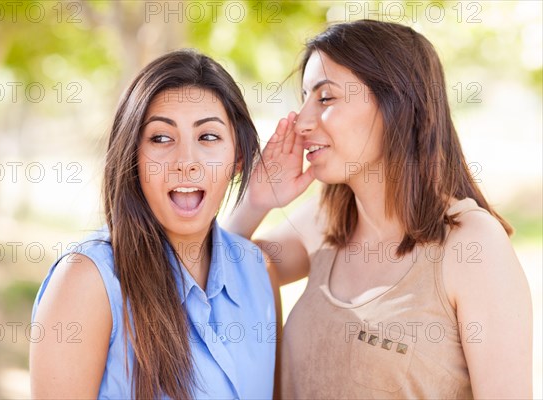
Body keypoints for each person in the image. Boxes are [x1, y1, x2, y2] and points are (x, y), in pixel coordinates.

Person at [226, 20, 533, 398]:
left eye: (325, 98)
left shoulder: (473, 247)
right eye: (304, 97)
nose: (301, 121)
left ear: (396, 105)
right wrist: (255, 203)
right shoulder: (324, 222)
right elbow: (227, 272)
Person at [30, 49, 279, 399]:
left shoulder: (258, 271)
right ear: (132, 156)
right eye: (161, 138)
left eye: (208, 137)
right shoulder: (87, 281)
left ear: (238, 158)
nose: (186, 162)